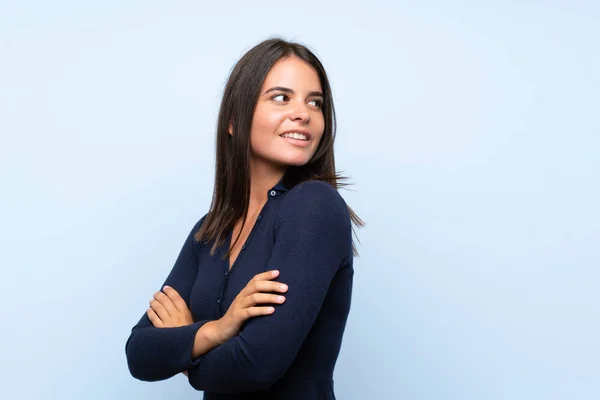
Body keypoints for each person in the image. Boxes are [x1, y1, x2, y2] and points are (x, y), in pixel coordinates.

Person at [125, 37, 364, 399]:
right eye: (281, 97)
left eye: (315, 102)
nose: (303, 113)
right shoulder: (210, 231)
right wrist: (217, 331)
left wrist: (186, 354)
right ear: (235, 120)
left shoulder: (314, 207)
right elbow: (139, 353)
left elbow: (256, 366)